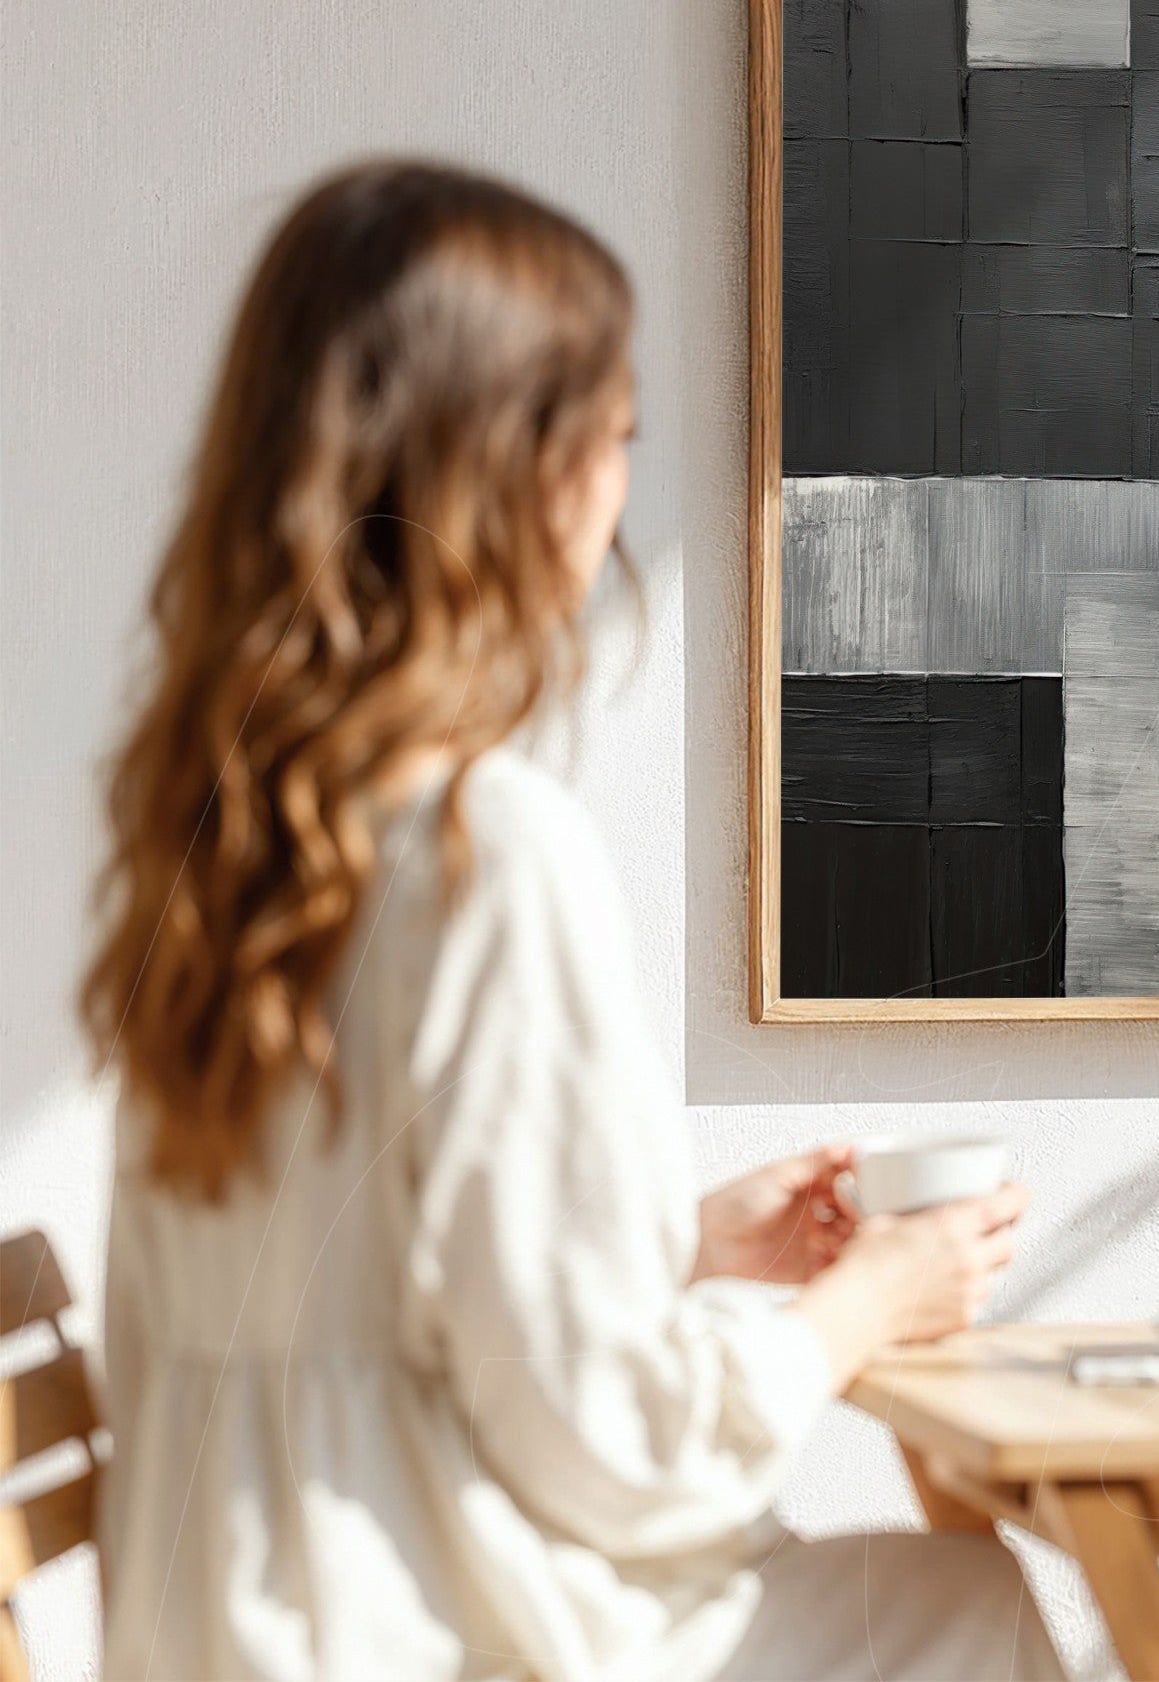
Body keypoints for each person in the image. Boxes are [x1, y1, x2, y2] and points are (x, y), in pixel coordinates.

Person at [81, 162, 1064, 1682]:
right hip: (431, 1628)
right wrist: (864, 1304)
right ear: (515, 476)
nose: (621, 488)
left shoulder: (215, 847)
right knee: (970, 1614)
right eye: (612, 438)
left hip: (227, 1623)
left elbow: (362, 1304)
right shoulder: (483, 856)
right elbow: (610, 1439)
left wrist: (672, 1249)